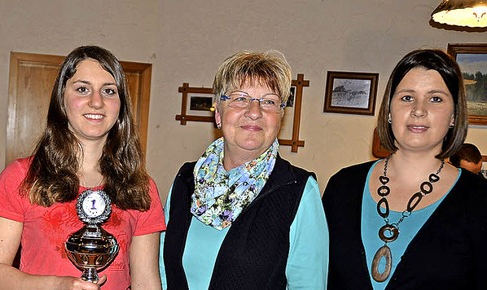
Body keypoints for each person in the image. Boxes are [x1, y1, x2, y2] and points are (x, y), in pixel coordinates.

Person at [0, 45, 165, 290]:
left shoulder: (141, 188)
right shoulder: (21, 177)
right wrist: (59, 286)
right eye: (82, 89)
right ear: (62, 99)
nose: (96, 102)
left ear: (121, 106)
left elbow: (147, 283)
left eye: (109, 91)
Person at [160, 50, 329, 290]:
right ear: (218, 113)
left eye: (269, 101)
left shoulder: (298, 191)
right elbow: (161, 272)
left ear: (280, 117)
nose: (254, 112)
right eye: (240, 98)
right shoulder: (186, 180)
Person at [322, 49, 487, 289]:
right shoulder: (342, 186)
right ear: (389, 111)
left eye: (435, 99)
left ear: (454, 115)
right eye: (407, 97)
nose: (419, 110)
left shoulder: (480, 200)